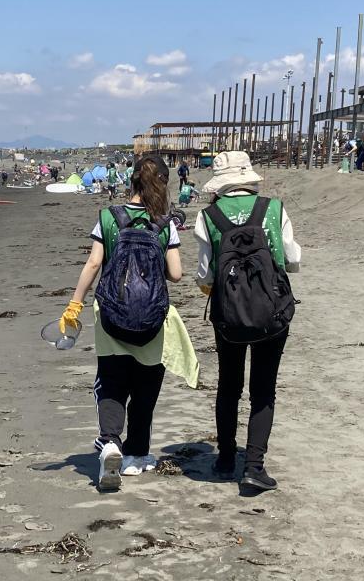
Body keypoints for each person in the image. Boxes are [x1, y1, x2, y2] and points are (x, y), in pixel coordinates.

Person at [59, 155, 187, 491]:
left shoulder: (108, 216)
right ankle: (136, 455)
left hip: (111, 315)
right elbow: (176, 273)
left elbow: (93, 263)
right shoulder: (165, 222)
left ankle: (111, 442)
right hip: (151, 319)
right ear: (162, 182)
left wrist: (74, 304)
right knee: (146, 385)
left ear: (132, 181)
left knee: (112, 380)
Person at [194, 151, 301, 492]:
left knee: (228, 386)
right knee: (263, 390)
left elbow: (204, 274)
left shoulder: (208, 216)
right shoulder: (273, 208)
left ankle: (225, 459)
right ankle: (254, 466)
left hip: (228, 315)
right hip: (272, 312)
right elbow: (291, 258)